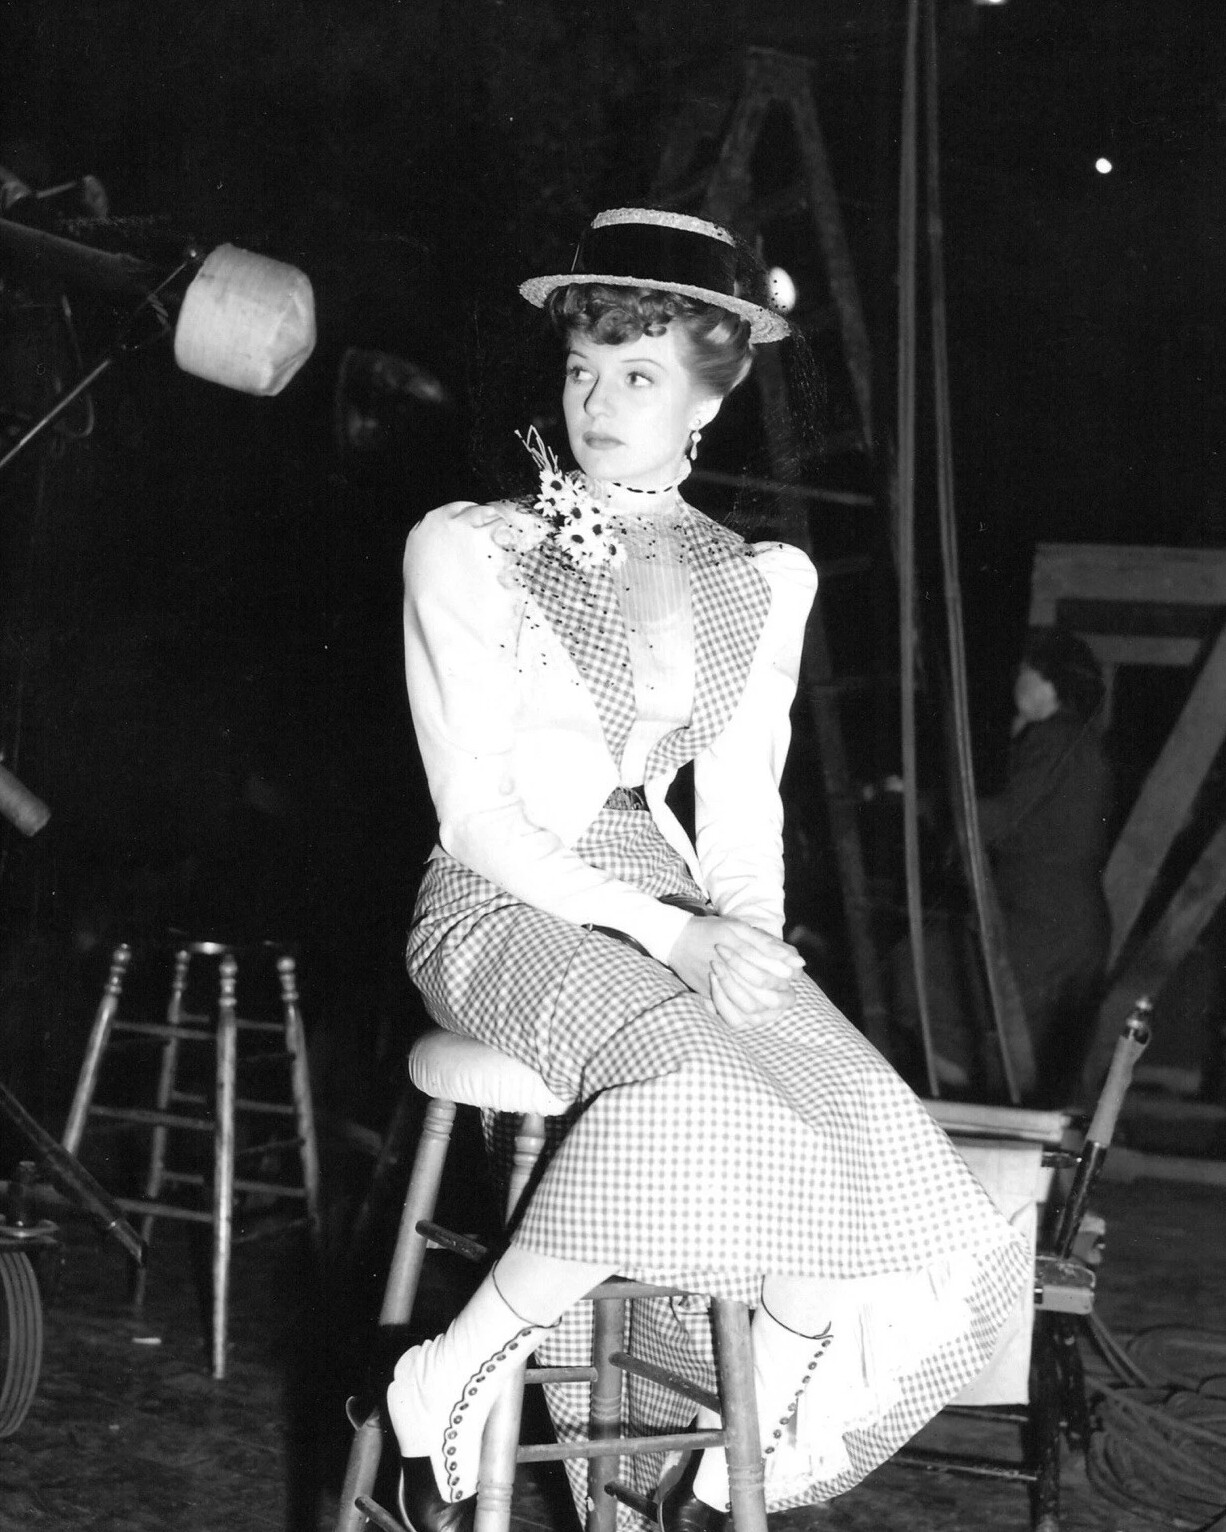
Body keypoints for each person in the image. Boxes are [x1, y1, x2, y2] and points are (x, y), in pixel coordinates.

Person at [388, 206, 1028, 1532]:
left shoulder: (753, 581)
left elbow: (740, 815)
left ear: (707, 400)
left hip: (669, 901)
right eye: (583, 369)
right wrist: (673, 940)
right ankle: (444, 1373)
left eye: (637, 375)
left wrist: (751, 953)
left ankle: (746, 1445)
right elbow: (477, 819)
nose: (595, 403)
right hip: (502, 904)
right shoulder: (472, 547)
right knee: (693, 1078)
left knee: (861, 1123)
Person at [978, 627, 1113, 1102]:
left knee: (1011, 1046)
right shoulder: (1077, 740)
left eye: (1025, 670)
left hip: (1046, 922)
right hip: (1068, 920)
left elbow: (1002, 818)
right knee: (1049, 1064)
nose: (1017, 680)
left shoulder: (1054, 738)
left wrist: (924, 803)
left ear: (1048, 682)